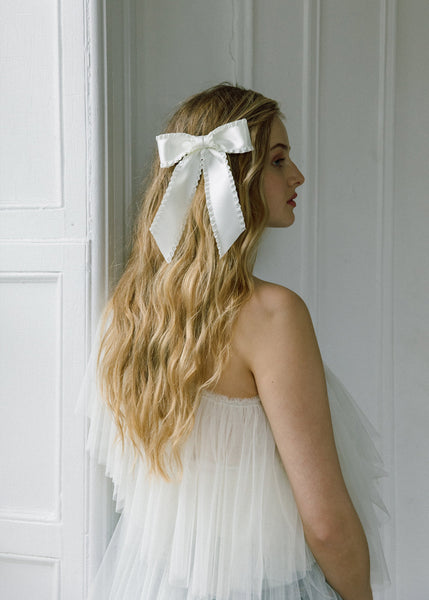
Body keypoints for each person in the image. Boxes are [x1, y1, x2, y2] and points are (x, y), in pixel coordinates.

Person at [79, 84, 389, 599]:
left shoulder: (128, 313)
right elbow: (327, 524)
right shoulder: (273, 315)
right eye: (278, 160)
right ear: (236, 178)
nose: (297, 175)